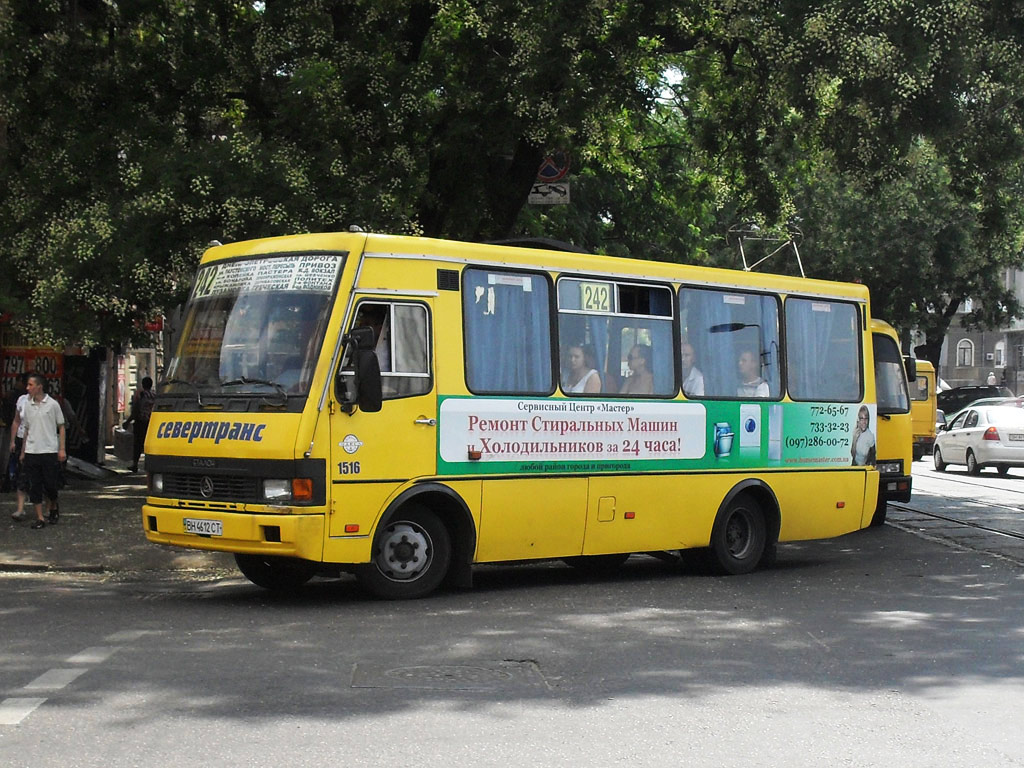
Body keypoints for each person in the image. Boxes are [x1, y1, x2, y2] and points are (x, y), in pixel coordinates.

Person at [18, 373, 65, 529]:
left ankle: (53, 506)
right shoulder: (27, 405)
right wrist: (23, 451)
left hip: (49, 449)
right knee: (35, 485)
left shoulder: (52, 404)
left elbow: (61, 426)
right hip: (33, 450)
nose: (28, 388)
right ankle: (39, 517)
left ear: (39, 386)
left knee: (51, 484)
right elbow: (26, 429)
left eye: (31, 385)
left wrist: (61, 449)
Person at [7, 374, 30, 521]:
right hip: (21, 438)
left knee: (39, 474)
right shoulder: (21, 400)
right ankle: (20, 508)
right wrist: (13, 441)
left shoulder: (47, 402)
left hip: (37, 441)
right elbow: (16, 421)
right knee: (21, 473)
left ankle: (47, 507)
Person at [124, 376, 155, 473]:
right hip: (151, 424)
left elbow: (136, 410)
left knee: (137, 444)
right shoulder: (154, 395)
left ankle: (135, 465)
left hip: (141, 422)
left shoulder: (141, 395)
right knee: (148, 445)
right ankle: (150, 465)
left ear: (143, 384)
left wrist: (128, 421)